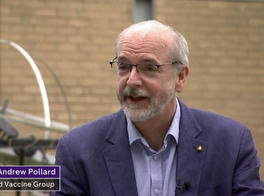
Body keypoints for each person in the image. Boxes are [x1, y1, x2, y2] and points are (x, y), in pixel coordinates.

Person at [50, 20, 264, 196]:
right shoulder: (77, 149)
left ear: (180, 77)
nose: (132, 80)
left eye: (149, 68)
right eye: (124, 66)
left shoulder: (231, 143)